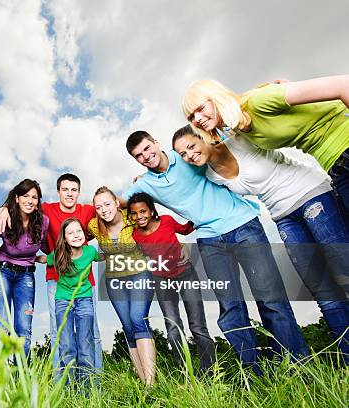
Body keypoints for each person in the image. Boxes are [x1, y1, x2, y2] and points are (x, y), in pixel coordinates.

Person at [122, 130, 309, 374]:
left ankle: (296, 364)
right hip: (209, 240)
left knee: (270, 298)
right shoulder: (145, 183)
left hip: (243, 225)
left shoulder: (185, 153)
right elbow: (118, 203)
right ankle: (252, 372)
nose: (146, 156)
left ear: (156, 142)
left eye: (148, 148)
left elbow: (216, 149)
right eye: (139, 156)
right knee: (230, 307)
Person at [172, 125, 349, 362]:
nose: (189, 155)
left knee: (345, 274)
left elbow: (253, 117)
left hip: (310, 194)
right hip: (282, 216)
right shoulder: (210, 173)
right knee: (323, 292)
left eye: (191, 146)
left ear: (203, 137)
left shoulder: (238, 139)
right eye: (182, 154)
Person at [182, 77, 349, 217]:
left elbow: (343, 84)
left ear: (216, 97)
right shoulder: (240, 126)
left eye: (201, 108)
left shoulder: (257, 101)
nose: (197, 118)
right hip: (333, 164)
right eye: (191, 116)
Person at [0, 173, 103, 371]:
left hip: (85, 282)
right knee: (58, 332)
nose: (69, 194)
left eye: (74, 190)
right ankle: (59, 378)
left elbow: (112, 205)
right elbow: (21, 204)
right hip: (55, 280)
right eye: (65, 189)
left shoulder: (87, 210)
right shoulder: (46, 211)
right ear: (58, 191)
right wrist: (2, 209)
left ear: (79, 192)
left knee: (91, 333)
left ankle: (94, 379)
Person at [127, 192, 216, 374]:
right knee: (173, 327)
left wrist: (195, 211)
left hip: (186, 274)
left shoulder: (166, 221)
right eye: (134, 213)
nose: (139, 216)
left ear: (151, 211)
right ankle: (185, 372)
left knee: (197, 326)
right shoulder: (136, 236)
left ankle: (210, 371)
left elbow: (185, 229)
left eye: (143, 211)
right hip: (161, 280)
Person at [88, 187, 156, 385]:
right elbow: (78, 239)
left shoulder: (132, 217)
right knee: (127, 327)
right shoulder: (94, 226)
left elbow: (154, 226)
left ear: (117, 203)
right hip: (115, 280)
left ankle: (151, 383)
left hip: (140, 274)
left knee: (137, 319)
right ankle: (142, 381)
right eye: (98, 207)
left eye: (107, 204)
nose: (104, 210)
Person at [0, 179, 49, 360]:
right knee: (2, 325)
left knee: (24, 327)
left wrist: (46, 258)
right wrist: (1, 210)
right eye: (25, 196)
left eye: (34, 197)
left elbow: (48, 247)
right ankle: (1, 376)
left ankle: (21, 376)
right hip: (2, 272)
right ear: (16, 198)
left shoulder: (43, 222)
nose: (30, 200)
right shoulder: (5, 217)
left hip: (26, 276)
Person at [42, 218, 97, 387]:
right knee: (67, 345)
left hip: (85, 299)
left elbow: (102, 257)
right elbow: (43, 259)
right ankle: (68, 389)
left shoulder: (90, 251)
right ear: (64, 238)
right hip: (63, 301)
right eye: (70, 233)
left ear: (84, 234)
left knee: (85, 344)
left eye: (78, 231)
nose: (75, 235)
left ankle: (87, 390)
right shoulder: (58, 254)